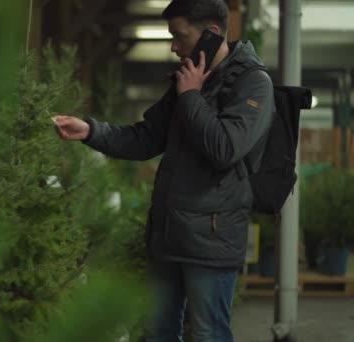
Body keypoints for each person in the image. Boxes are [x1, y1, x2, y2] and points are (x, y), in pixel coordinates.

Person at [53, 0, 274, 341]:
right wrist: (90, 131)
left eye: (179, 36)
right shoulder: (189, 82)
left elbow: (225, 149)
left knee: (207, 332)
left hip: (210, 241)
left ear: (211, 34)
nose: (173, 46)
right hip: (168, 235)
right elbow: (145, 139)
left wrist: (190, 97)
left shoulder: (253, 83)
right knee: (158, 331)